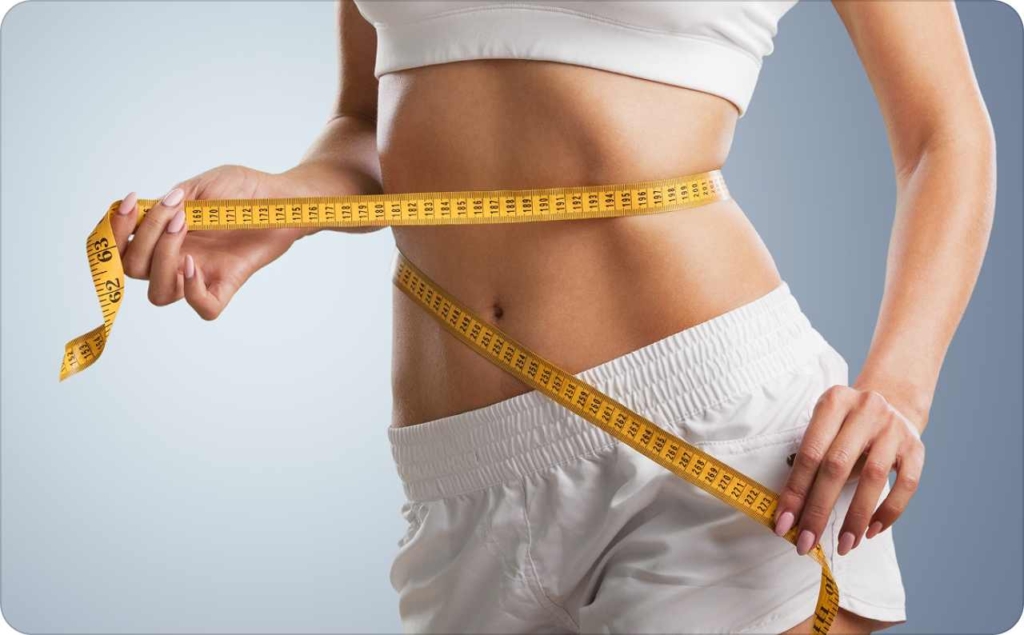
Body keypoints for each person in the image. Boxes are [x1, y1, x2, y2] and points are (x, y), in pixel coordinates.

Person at [107, 1, 995, 632]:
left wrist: (901, 390)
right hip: (455, 486)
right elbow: (366, 125)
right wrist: (283, 202)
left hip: (711, 449)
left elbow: (945, 132)